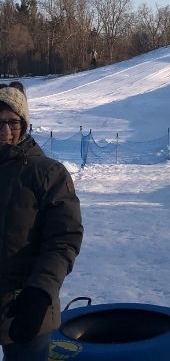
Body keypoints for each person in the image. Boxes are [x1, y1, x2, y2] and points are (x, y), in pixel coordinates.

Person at [0, 83, 83, 360]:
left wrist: (40, 291)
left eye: (13, 122)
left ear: (24, 125)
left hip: (25, 306)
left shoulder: (48, 173)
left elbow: (64, 239)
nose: (5, 132)